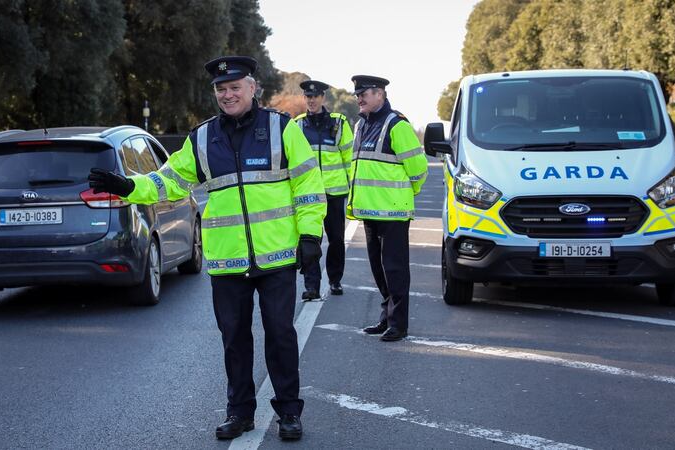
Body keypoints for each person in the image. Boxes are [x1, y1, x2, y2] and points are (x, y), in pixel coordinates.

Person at [88, 56, 326, 441]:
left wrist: (310, 236)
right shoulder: (201, 138)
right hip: (227, 261)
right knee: (234, 338)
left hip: (278, 255)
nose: (227, 94)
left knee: (281, 334)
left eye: (235, 87)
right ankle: (240, 412)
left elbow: (307, 185)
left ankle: (288, 412)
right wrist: (129, 187)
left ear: (253, 87)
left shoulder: (281, 128)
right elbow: (169, 182)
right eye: (221, 89)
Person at [348, 75, 429, 342]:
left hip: (393, 214)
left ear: (380, 94)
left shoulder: (397, 125)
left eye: (364, 94)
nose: (359, 98)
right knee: (379, 270)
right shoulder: (361, 125)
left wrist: (407, 194)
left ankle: (399, 324)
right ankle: (386, 318)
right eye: (357, 94)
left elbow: (418, 169)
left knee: (395, 270)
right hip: (369, 213)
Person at [294, 80, 354, 300]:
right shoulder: (297, 125)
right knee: (310, 239)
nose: (311, 100)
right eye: (307, 97)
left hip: (335, 193)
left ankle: (335, 280)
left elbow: (349, 157)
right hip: (309, 195)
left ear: (323, 98)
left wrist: (352, 187)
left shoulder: (338, 123)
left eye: (315, 96)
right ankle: (312, 286)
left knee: (336, 239)